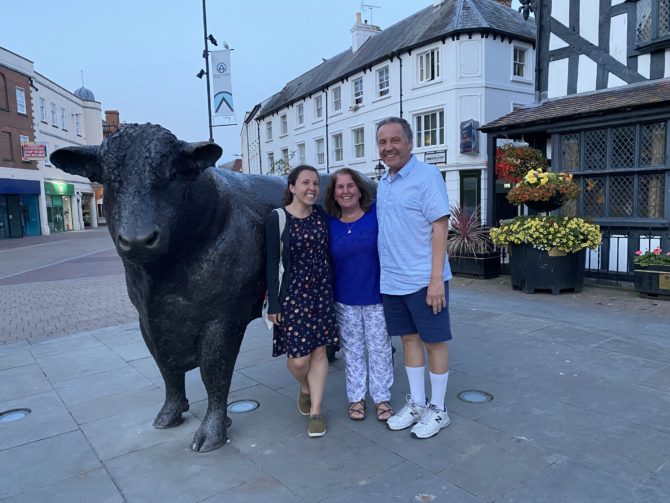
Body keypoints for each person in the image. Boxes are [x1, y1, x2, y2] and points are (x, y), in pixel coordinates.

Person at [376, 117, 453, 439]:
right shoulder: (384, 182)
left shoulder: (427, 176)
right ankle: (417, 403)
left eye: (395, 140)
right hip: (393, 280)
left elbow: (440, 226)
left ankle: (438, 409)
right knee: (408, 341)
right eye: (382, 142)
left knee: (434, 342)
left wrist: (436, 280)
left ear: (410, 142)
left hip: (424, 280)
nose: (388, 147)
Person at [266, 165, 339, 438]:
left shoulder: (321, 215)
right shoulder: (278, 218)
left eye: (316, 183)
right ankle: (305, 387)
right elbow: (272, 263)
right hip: (293, 295)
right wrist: (274, 303)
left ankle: (317, 411)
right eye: (305, 183)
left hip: (321, 292)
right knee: (298, 360)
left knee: (320, 352)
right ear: (292, 187)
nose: (312, 188)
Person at [324, 168, 394, 422]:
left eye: (350, 185)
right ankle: (356, 398)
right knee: (352, 352)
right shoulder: (329, 224)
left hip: (376, 296)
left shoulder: (376, 215)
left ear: (359, 189)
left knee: (380, 350)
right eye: (340, 187)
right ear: (334, 194)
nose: (346, 191)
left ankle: (382, 398)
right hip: (344, 300)